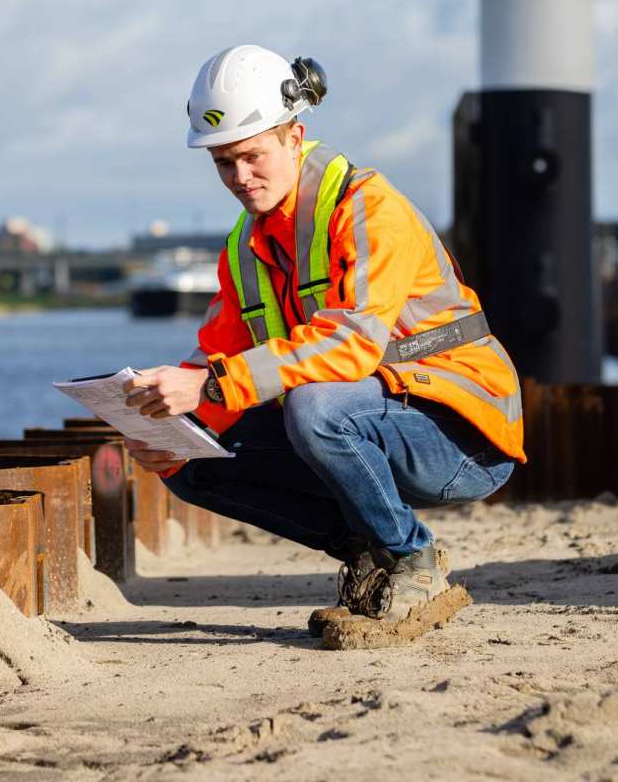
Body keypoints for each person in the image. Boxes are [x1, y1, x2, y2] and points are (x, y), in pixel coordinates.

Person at [123, 44, 523, 639]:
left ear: (294, 135)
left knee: (315, 409)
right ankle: (371, 553)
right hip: (373, 415)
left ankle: (413, 560)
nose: (240, 177)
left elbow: (354, 343)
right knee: (192, 461)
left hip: (465, 435)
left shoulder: (369, 208)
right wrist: (168, 423)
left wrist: (209, 384)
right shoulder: (246, 248)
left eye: (252, 156)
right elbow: (218, 354)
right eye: (223, 163)